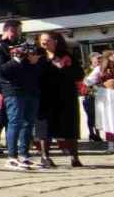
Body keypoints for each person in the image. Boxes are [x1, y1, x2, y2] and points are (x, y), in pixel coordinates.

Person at [0, 21, 43, 171]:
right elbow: (1, 70)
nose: (20, 33)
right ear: (11, 30)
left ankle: (24, 156)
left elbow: (35, 69)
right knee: (15, 122)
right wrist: (17, 59)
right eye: (19, 30)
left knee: (28, 123)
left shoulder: (23, 45)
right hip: (13, 90)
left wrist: (34, 61)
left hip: (30, 89)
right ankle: (12, 157)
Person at [35, 32, 83, 168]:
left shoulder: (66, 55)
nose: (44, 42)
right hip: (44, 95)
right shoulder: (37, 56)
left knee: (70, 125)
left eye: (47, 40)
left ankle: (74, 157)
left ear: (55, 41)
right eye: (41, 40)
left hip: (65, 95)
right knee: (45, 127)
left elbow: (79, 75)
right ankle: (45, 157)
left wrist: (63, 68)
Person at [82, 52, 103, 143]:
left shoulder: (103, 69)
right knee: (91, 116)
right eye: (98, 59)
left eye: (100, 59)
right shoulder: (87, 70)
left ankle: (98, 134)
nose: (100, 60)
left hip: (102, 95)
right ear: (92, 59)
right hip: (91, 95)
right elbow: (86, 82)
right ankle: (92, 134)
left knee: (99, 116)